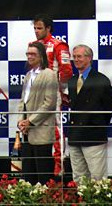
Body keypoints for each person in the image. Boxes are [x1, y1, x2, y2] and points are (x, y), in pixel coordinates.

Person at [68, 44, 112, 182]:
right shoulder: (72, 81)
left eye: (79, 56)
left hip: (93, 135)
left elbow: (110, 107)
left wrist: (97, 124)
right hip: (75, 136)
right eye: (74, 57)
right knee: (79, 177)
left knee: (97, 177)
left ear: (89, 58)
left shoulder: (101, 80)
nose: (76, 59)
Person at [33, 14, 73, 175]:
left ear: (48, 28)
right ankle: (42, 166)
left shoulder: (58, 45)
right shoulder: (34, 45)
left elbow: (66, 71)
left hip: (51, 93)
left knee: (55, 127)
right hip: (35, 94)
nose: (36, 31)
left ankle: (60, 165)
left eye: (39, 28)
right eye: (35, 28)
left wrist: (60, 89)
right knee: (36, 127)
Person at [17, 41, 58, 185]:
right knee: (29, 175)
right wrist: (20, 120)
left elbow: (49, 103)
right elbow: (23, 100)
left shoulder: (49, 74)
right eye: (28, 53)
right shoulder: (28, 75)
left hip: (41, 130)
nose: (29, 56)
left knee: (43, 174)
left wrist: (30, 121)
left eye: (33, 54)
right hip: (27, 132)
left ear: (41, 56)